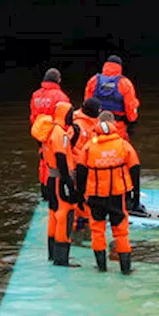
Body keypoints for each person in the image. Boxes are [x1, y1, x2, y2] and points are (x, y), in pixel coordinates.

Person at [76, 112, 140, 274]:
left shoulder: (89, 147)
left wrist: (80, 194)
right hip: (117, 196)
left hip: (95, 196)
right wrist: (135, 194)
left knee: (97, 231)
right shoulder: (123, 145)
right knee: (121, 232)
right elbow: (135, 169)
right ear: (113, 126)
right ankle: (126, 269)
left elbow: (81, 171)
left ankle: (101, 267)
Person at [32, 101, 77, 266]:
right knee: (63, 215)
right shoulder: (60, 134)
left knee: (53, 213)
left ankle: (52, 253)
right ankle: (61, 258)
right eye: (71, 113)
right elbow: (61, 159)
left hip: (51, 177)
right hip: (59, 178)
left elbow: (46, 156)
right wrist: (70, 185)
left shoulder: (49, 131)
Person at [83, 55, 139, 142]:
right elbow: (130, 106)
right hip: (117, 127)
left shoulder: (93, 81)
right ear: (120, 67)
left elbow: (87, 104)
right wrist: (132, 123)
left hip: (97, 125)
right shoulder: (125, 83)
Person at [69, 97, 102, 238]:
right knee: (81, 198)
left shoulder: (87, 123)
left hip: (84, 166)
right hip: (80, 167)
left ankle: (82, 225)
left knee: (83, 198)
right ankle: (80, 228)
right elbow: (74, 150)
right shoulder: (80, 126)